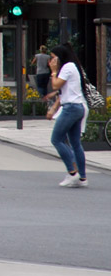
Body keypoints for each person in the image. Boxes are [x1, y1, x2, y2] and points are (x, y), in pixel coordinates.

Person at [48, 44, 88, 188]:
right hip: (77, 107)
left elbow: (55, 85)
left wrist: (53, 72)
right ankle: (82, 178)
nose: (51, 61)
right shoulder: (72, 66)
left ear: (60, 57)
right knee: (75, 143)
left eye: (53, 57)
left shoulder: (67, 67)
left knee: (56, 139)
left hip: (70, 108)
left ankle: (73, 171)